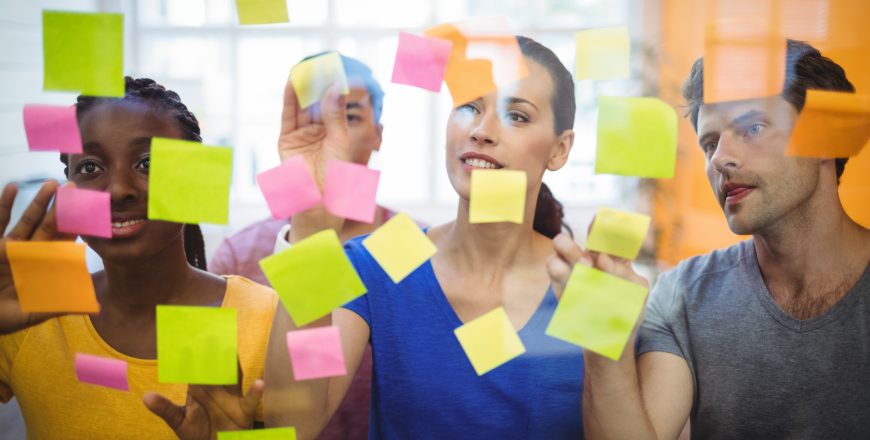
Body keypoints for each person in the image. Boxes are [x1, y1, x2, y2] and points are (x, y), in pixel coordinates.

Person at [263, 36, 587, 439]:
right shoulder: (384, 256)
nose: (482, 131)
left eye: (517, 116)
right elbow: (290, 423)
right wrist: (310, 226)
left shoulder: (588, 285)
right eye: (469, 107)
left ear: (559, 149)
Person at [548, 39, 870, 439]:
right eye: (710, 143)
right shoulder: (682, 295)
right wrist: (601, 341)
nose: (719, 159)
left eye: (752, 127)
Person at [0, 77, 277, 439]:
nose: (118, 190)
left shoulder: (266, 319)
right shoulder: (24, 314)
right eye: (90, 168)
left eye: (148, 163)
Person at [209, 53, 392, 440]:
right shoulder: (239, 256)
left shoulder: (414, 248)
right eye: (314, 118)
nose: (329, 133)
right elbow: (212, 398)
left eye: (349, 117)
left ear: (378, 133)